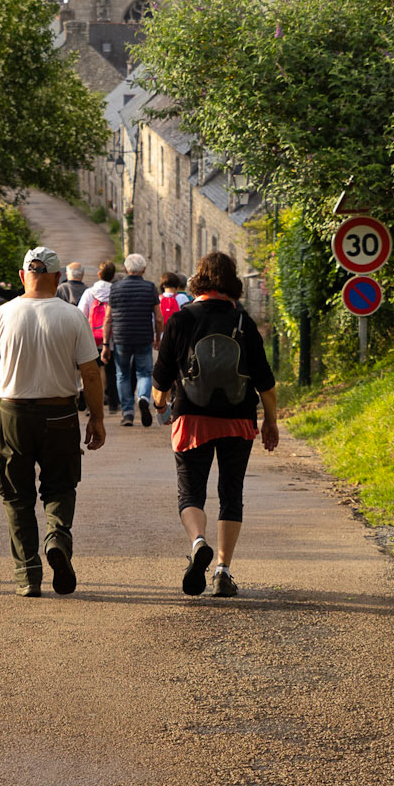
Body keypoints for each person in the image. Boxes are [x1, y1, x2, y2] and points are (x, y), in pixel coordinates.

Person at [0, 245, 106, 595]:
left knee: (16, 495)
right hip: (61, 412)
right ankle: (57, 540)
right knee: (60, 486)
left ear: (22, 277)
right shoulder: (72, 316)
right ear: (58, 278)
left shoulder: (3, 315)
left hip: (13, 414)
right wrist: (96, 418)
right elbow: (91, 375)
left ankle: (28, 574)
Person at [152, 249, 279, 598]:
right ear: (232, 281)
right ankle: (223, 570)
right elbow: (265, 381)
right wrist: (270, 421)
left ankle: (197, 543)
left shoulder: (181, 319)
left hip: (192, 418)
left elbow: (161, 378)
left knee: (190, 492)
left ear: (199, 278)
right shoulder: (243, 321)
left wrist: (160, 404)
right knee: (231, 492)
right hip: (238, 419)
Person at [108, 251, 162, 428]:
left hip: (121, 336)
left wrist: (105, 344)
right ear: (144, 270)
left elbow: (108, 318)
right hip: (143, 336)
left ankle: (128, 413)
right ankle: (144, 398)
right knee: (144, 372)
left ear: (125, 269)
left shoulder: (114, 288)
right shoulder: (150, 288)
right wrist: (158, 337)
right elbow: (159, 317)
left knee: (122, 374)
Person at [78, 258, 119, 415]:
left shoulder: (89, 292)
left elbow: (81, 314)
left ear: (99, 274)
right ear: (113, 275)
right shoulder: (116, 291)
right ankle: (114, 403)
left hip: (92, 338)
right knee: (112, 371)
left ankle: (92, 405)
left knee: (92, 373)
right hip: (111, 338)